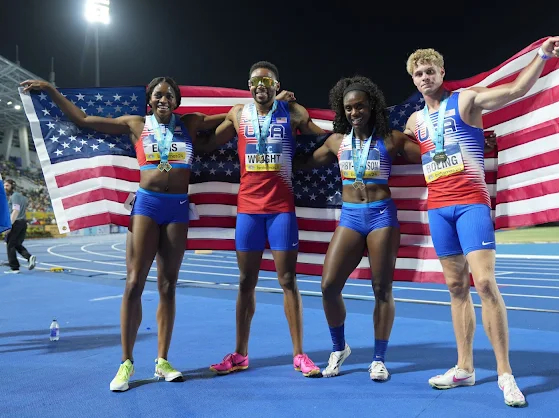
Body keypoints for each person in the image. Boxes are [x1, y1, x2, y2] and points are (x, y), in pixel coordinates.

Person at [19, 77, 252, 391]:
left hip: (178, 209)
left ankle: (163, 360)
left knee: (168, 285)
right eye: (158, 94)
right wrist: (49, 89)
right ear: (150, 100)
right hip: (147, 205)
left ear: (177, 100)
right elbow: (83, 120)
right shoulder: (134, 124)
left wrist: (260, 103)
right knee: (133, 283)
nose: (163, 99)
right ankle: (126, 362)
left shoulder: (191, 124)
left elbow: (234, 117)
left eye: (169, 94)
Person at [403, 36, 559, 407]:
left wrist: (543, 55)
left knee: (486, 285)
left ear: (442, 72)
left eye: (430, 70)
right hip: (438, 209)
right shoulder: (415, 121)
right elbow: (401, 148)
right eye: (418, 73)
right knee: (454, 287)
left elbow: (515, 89)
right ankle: (464, 368)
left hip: (470, 204)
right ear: (413, 80)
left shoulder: (466, 99)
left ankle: (505, 374)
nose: (425, 76)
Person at [294, 76, 422, 381]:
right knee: (328, 286)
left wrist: (476, 144)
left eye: (360, 106)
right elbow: (303, 163)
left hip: (381, 217)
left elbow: (432, 155)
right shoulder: (337, 141)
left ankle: (379, 359)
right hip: (350, 216)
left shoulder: (391, 139)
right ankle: (339, 348)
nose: (354, 112)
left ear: (372, 106)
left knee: (381, 288)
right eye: (349, 108)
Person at [209, 61, 326, 378]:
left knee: (288, 281)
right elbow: (207, 143)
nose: (261, 84)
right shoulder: (237, 114)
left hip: (281, 210)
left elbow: (324, 139)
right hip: (248, 209)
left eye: (268, 80)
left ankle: (300, 354)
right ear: (249, 86)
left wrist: (354, 137)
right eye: (256, 80)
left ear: (276, 85)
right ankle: (240, 353)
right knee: (246, 282)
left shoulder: (293, 113)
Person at [3, 178, 37, 273]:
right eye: (4, 186)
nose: (5, 187)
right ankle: (29, 257)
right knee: (16, 244)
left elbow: (16, 211)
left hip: (16, 222)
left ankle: (14, 268)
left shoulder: (15, 196)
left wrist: (8, 225)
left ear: (12, 186)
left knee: (10, 245)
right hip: (21, 222)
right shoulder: (20, 196)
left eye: (7, 186)